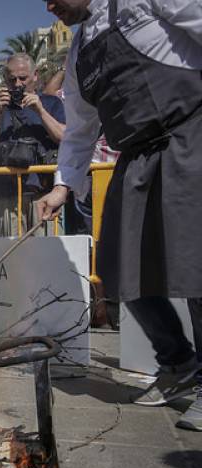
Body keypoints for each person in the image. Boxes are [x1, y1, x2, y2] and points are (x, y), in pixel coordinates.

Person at [36, 0, 202, 431]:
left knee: (197, 263)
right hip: (136, 155)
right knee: (118, 266)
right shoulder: (77, 53)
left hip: (190, 134)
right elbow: (79, 129)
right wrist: (61, 186)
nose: (50, 5)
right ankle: (179, 365)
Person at [0, 53, 66, 236]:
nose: (18, 84)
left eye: (23, 78)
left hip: (44, 194)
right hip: (8, 197)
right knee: (14, 260)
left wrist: (41, 111)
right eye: (12, 79)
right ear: (5, 79)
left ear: (35, 75)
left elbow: (64, 138)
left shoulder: (51, 103)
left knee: (47, 255)